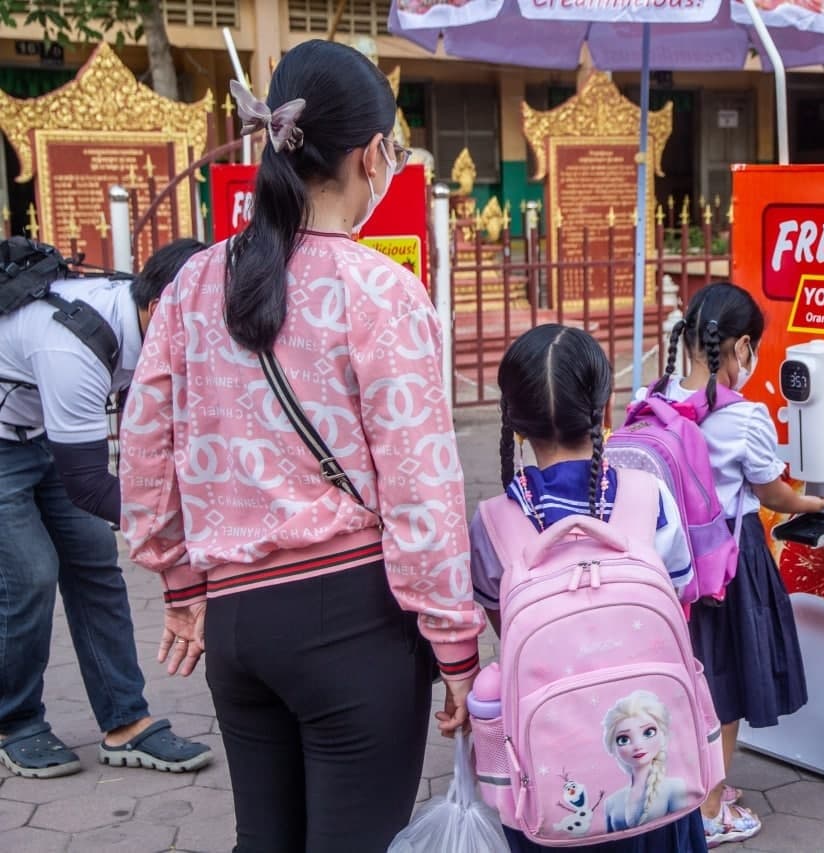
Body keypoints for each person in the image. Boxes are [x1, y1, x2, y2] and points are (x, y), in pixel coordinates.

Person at [119, 39, 482, 853]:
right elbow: (421, 486)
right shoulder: (380, 291)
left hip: (236, 626)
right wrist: (455, 645)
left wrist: (178, 575)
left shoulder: (194, 283)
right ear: (372, 154)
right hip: (351, 621)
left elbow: (144, 446)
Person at [469, 323, 705, 853]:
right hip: (654, 768)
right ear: (603, 412)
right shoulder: (649, 497)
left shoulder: (492, 523)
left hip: (549, 779)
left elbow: (506, 627)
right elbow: (681, 594)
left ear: (514, 424)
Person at [0, 238, 212, 780]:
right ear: (161, 308)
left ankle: (125, 721)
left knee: (95, 561)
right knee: (30, 573)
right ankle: (14, 722)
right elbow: (91, 487)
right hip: (6, 442)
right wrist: (181, 533)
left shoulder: (142, 323)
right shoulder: (73, 349)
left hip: (43, 430)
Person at [652, 282, 824, 847]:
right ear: (743, 347)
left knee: (688, 680)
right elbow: (772, 492)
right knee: (724, 687)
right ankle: (709, 811)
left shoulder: (654, 398)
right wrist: (810, 504)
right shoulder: (745, 417)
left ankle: (686, 793)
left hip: (670, 567)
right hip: (729, 563)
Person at [602, 690, 688, 834]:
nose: (637, 745)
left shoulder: (675, 787)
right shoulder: (611, 802)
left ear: (663, 735)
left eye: (648, 732)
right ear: (613, 748)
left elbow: (682, 835)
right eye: (624, 739)